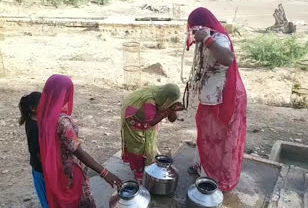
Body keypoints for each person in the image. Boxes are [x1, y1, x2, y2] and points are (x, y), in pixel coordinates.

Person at [184, 7, 247, 192]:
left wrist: (207, 39)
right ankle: (202, 168)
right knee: (206, 135)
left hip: (225, 99)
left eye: (195, 30)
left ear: (204, 27)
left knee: (220, 139)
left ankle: (215, 178)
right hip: (210, 98)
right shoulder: (204, 39)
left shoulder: (218, 38)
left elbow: (228, 59)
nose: (193, 34)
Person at [37, 74, 122, 207]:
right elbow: (78, 151)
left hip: (58, 169)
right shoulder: (62, 122)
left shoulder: (44, 114)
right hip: (72, 173)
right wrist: (105, 173)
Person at [121, 83, 184, 182]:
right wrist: (166, 112)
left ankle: (147, 162)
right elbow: (151, 122)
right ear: (167, 98)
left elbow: (172, 119)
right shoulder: (150, 101)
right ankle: (138, 172)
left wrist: (172, 110)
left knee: (150, 141)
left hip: (148, 119)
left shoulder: (165, 98)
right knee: (137, 146)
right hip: (133, 118)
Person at [19, 92, 48, 208]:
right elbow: (37, 151)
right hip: (41, 170)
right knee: (47, 200)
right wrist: (48, 170)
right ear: (33, 108)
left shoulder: (33, 121)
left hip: (39, 168)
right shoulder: (34, 126)